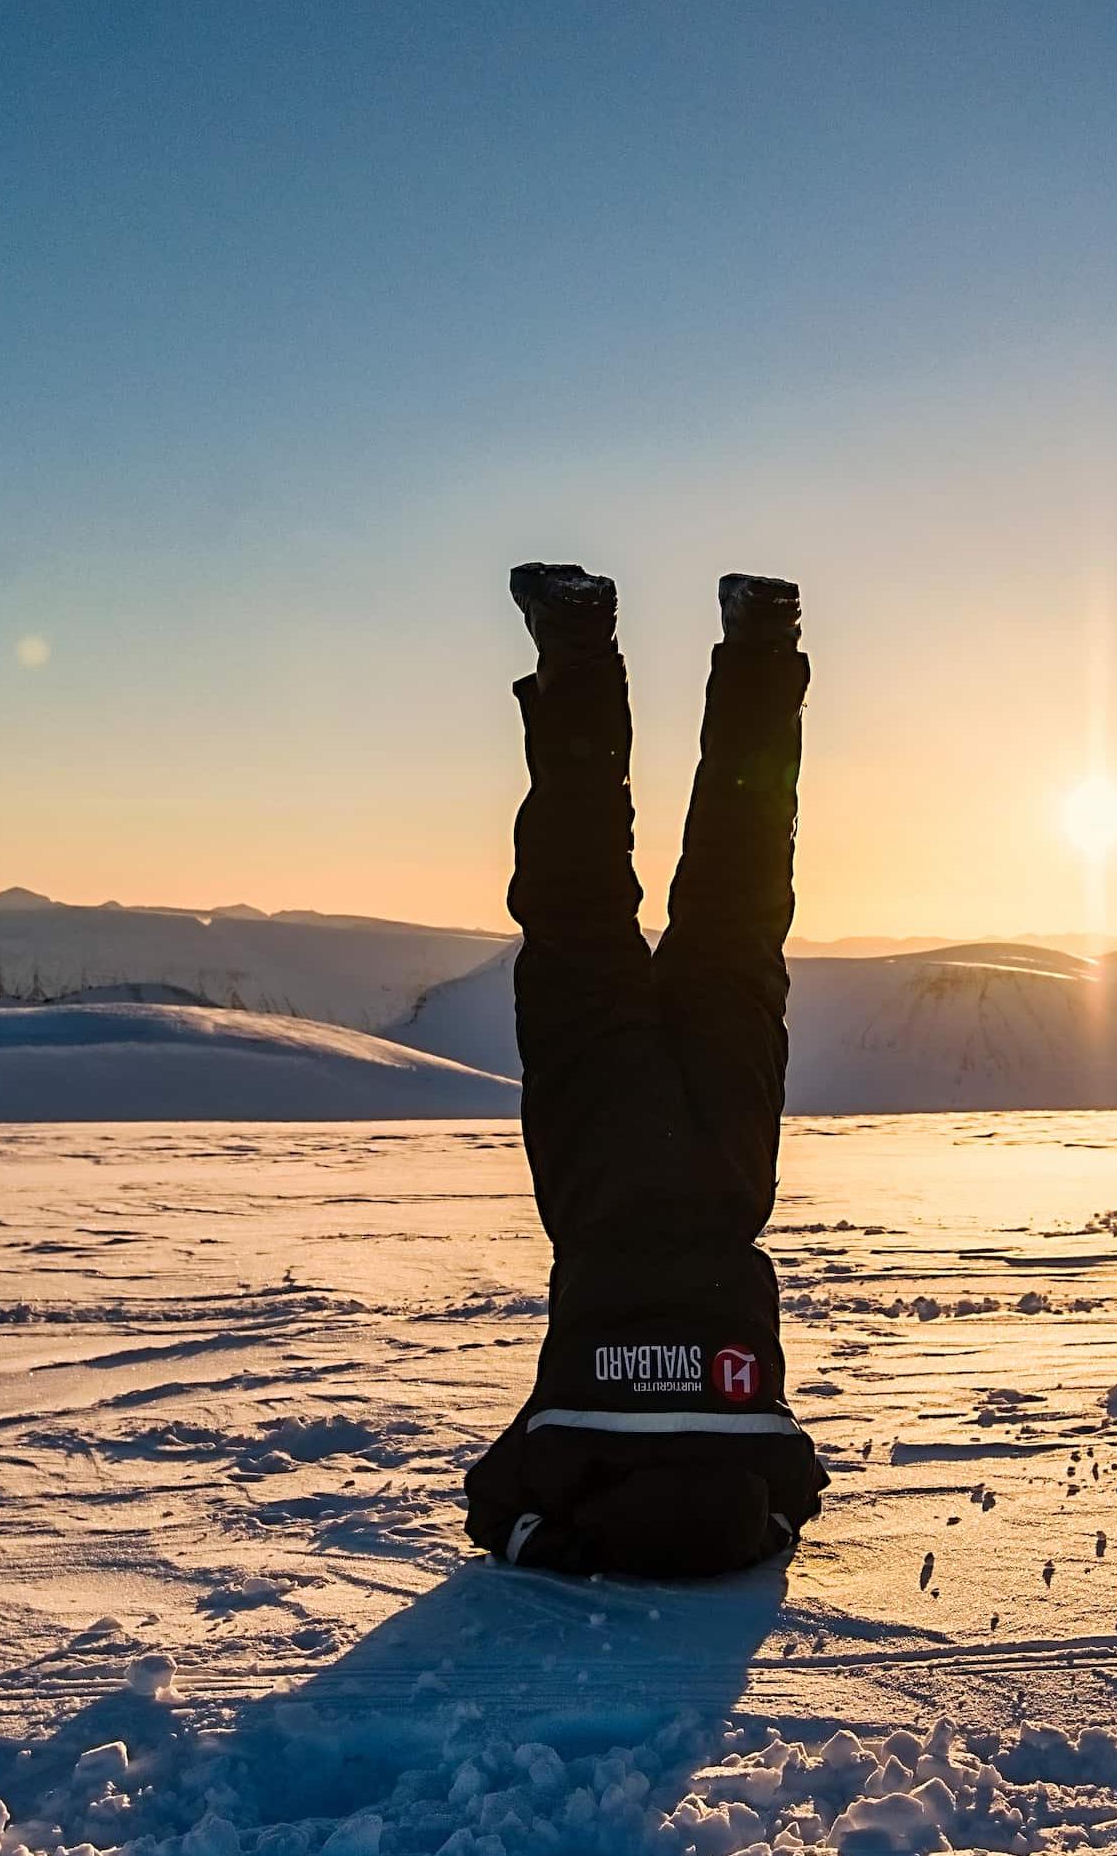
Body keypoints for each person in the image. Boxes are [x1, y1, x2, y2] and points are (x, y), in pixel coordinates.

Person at [461, 564, 830, 1577]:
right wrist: (545, 1532)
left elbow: (798, 1498)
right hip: (604, 1165)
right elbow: (491, 1512)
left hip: (724, 1163)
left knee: (739, 901)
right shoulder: (562, 1451)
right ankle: (577, 641)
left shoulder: (761, 1450)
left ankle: (763, 646)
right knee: (579, 895)